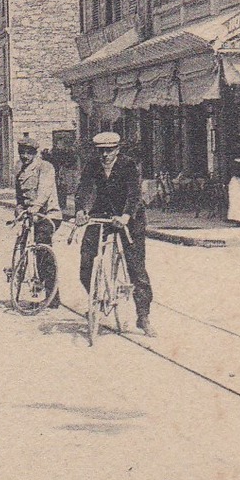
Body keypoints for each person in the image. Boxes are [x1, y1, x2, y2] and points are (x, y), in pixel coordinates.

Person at [75, 131, 154, 337]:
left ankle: (143, 316)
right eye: (101, 151)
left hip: (129, 219)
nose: (105, 155)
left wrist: (127, 215)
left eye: (109, 151)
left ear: (117, 150)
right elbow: (84, 188)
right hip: (102, 215)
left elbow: (134, 193)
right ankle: (96, 298)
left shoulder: (128, 165)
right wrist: (81, 210)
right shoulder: (92, 165)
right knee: (86, 262)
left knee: (136, 268)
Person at [14, 135, 62, 308]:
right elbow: (19, 195)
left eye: (28, 153)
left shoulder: (45, 167)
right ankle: (21, 283)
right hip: (29, 215)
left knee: (43, 253)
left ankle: (53, 297)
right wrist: (19, 208)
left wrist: (36, 206)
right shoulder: (19, 169)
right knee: (23, 249)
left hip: (48, 215)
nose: (25, 156)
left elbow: (45, 190)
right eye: (22, 153)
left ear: (35, 153)